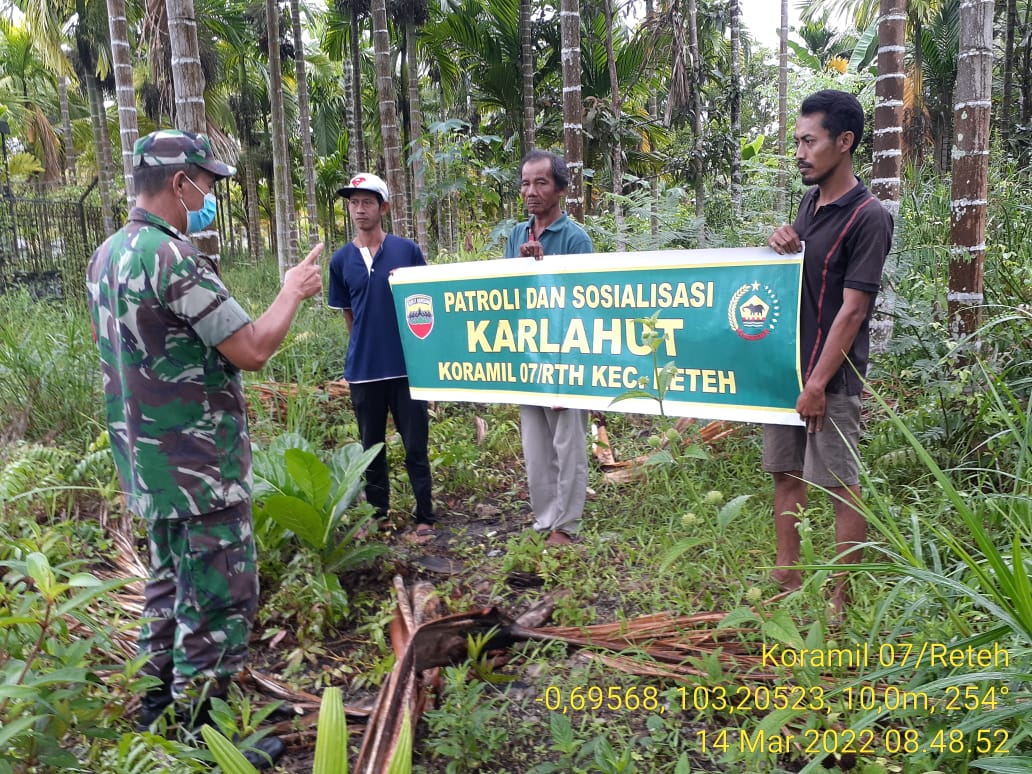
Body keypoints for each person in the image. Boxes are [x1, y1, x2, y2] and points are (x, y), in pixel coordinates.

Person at [86, 130, 322, 764]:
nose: (209, 194)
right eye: (206, 182)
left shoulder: (106, 256)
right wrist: (291, 291)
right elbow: (252, 348)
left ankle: (152, 718)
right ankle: (205, 740)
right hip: (200, 468)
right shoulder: (173, 258)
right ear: (177, 181)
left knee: (166, 589)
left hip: (148, 467)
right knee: (218, 599)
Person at [765, 90, 893, 612]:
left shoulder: (869, 216)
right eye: (797, 141)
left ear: (844, 143)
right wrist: (783, 238)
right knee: (784, 474)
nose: (800, 151)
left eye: (809, 141)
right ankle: (788, 583)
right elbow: (800, 258)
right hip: (785, 369)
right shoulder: (811, 201)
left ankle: (842, 603)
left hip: (831, 379)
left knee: (840, 484)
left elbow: (854, 309)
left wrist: (818, 383)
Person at [328, 173, 436, 544]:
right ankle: (379, 513)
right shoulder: (341, 260)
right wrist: (365, 347)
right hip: (364, 372)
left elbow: (426, 307)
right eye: (354, 202)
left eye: (368, 202)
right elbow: (349, 315)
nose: (360, 209)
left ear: (383, 207)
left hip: (407, 369)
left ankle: (425, 516)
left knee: (415, 445)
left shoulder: (407, 251)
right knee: (371, 447)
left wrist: (425, 361)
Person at [504, 150, 593, 546]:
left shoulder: (575, 238)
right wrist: (524, 272)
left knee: (567, 442)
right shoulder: (515, 235)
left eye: (540, 182)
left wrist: (546, 271)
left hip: (565, 357)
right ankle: (544, 520)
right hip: (528, 355)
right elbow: (505, 295)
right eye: (525, 183)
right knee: (535, 445)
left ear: (559, 188)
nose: (531, 191)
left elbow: (586, 301)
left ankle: (566, 525)